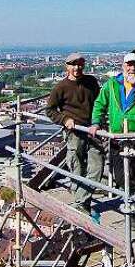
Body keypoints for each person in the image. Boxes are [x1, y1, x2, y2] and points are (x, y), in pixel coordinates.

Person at [89, 53, 135, 215]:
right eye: (129, 65)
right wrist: (95, 122)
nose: (132, 68)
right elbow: (100, 104)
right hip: (118, 139)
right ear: (123, 66)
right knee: (122, 178)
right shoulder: (112, 84)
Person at [45, 53, 103, 213]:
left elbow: (99, 102)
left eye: (79, 64)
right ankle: (83, 201)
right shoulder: (61, 87)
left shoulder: (91, 82)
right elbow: (49, 110)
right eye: (73, 64)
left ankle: (81, 201)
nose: (77, 68)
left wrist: (99, 121)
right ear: (67, 67)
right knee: (77, 167)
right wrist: (64, 119)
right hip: (75, 132)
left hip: (93, 129)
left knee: (97, 166)